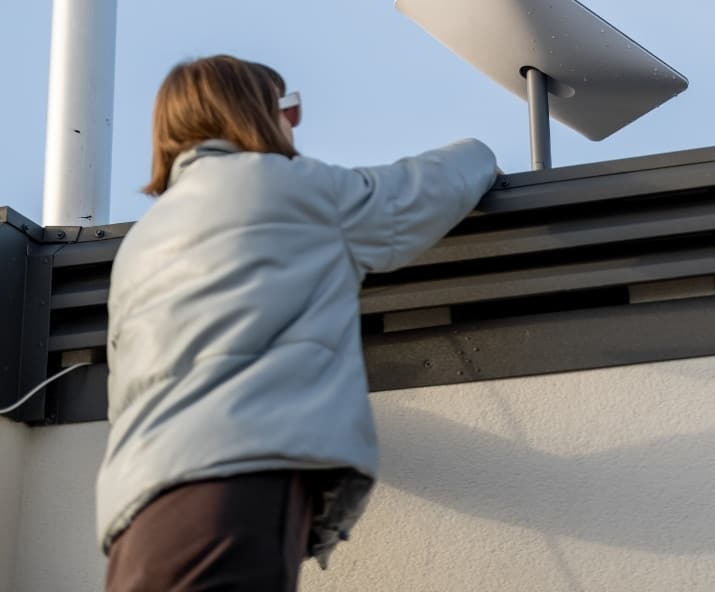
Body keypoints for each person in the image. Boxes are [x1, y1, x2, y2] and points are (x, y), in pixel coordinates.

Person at [96, 54, 499, 591]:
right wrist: (483, 152)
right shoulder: (288, 187)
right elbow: (409, 197)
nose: (293, 123)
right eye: (286, 107)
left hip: (138, 516)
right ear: (251, 113)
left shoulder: (142, 240)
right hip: (231, 492)